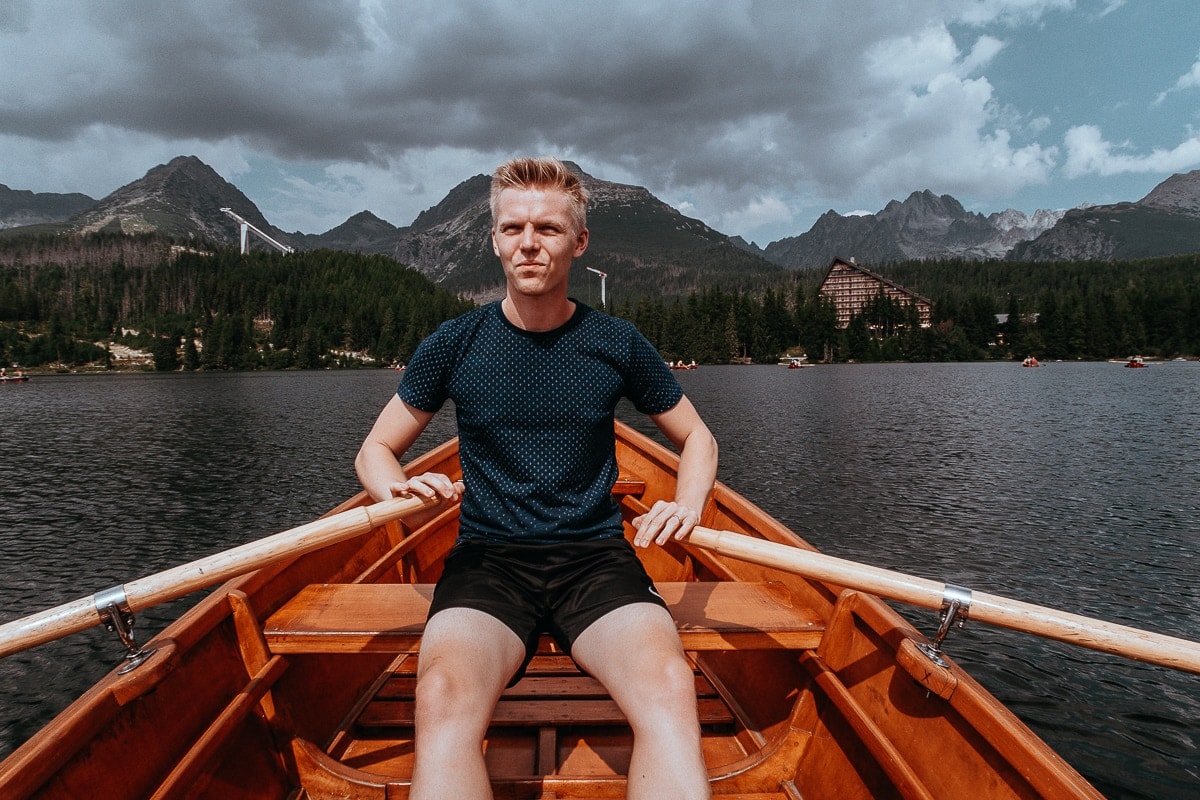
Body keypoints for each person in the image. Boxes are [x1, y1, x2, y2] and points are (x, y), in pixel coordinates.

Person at [355, 156, 717, 800]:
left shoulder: (617, 342)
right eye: (513, 227)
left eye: (548, 229)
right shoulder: (454, 343)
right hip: (489, 562)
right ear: (493, 238)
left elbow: (697, 438)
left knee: (669, 684)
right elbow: (376, 450)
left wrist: (688, 503)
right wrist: (396, 490)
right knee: (439, 694)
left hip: (595, 560)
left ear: (578, 242)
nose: (529, 242)